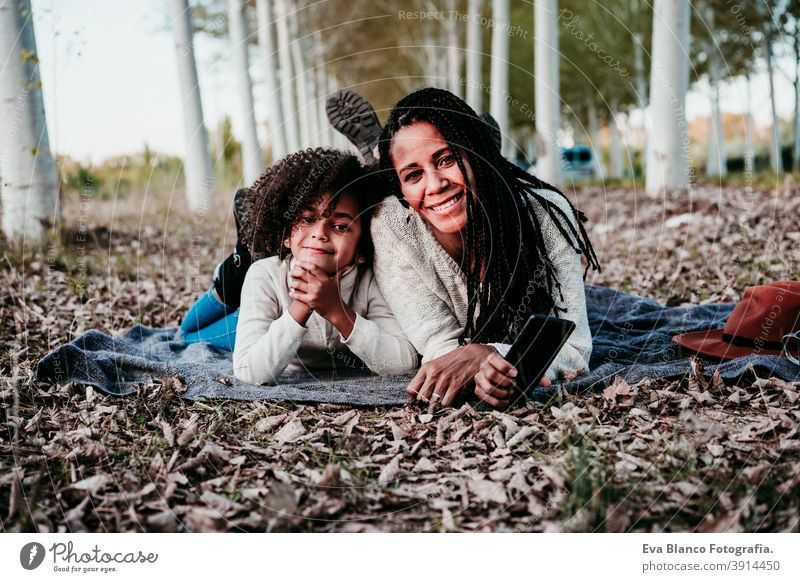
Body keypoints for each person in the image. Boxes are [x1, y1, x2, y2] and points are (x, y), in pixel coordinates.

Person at [370, 87, 601, 409]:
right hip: (393, 206)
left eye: (447, 159)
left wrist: (493, 357)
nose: (435, 184)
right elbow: (440, 347)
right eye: (413, 175)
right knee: (359, 196)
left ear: (474, 156)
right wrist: (476, 368)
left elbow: (574, 348)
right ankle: (373, 156)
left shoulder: (546, 215)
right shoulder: (392, 226)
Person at [232, 148, 418, 385]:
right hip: (257, 325)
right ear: (287, 235)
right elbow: (249, 371)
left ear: (362, 247)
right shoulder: (265, 276)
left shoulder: (370, 279)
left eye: (340, 226)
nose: (319, 233)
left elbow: (404, 362)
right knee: (193, 331)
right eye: (308, 219)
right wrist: (302, 304)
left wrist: (335, 309)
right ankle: (232, 267)